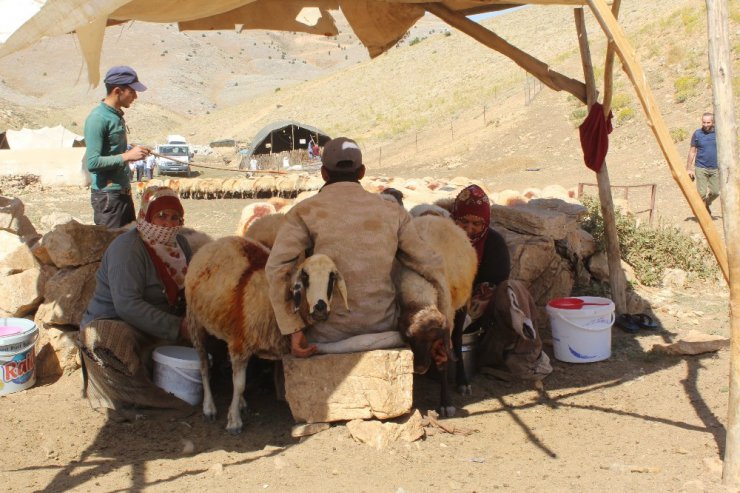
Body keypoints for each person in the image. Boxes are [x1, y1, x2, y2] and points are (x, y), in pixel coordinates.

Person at [265, 137, 452, 358]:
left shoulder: (304, 211)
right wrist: (445, 323)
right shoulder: (393, 212)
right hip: (383, 331)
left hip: (327, 336)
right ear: (362, 172)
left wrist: (293, 328)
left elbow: (276, 267)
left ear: (324, 173)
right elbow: (430, 263)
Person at [78, 186, 193, 418]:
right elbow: (127, 305)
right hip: (120, 321)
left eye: (174, 217)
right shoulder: (128, 248)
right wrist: (178, 327)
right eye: (160, 216)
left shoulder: (181, 245)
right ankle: (134, 399)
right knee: (102, 336)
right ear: (145, 215)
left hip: (162, 323)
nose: (168, 224)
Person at [84, 65, 150, 228]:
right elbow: (92, 163)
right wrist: (128, 156)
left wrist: (135, 153)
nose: (135, 96)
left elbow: (112, 153)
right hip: (108, 198)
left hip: (121, 194)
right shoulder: (98, 118)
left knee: (128, 246)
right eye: (132, 91)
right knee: (111, 249)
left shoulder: (115, 116)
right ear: (118, 90)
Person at [450, 184, 510, 334]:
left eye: (476, 223)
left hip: (473, 301)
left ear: (485, 223)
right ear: (455, 218)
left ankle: (461, 328)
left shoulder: (494, 243)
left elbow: (495, 281)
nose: (469, 229)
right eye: (464, 222)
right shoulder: (445, 237)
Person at [686, 112, 719, 214]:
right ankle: (704, 212)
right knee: (701, 194)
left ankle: (707, 203)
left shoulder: (718, 133)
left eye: (708, 122)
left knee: (715, 192)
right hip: (701, 167)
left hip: (715, 168)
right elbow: (692, 151)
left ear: (713, 122)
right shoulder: (697, 134)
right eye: (703, 122)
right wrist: (688, 168)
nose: (705, 125)